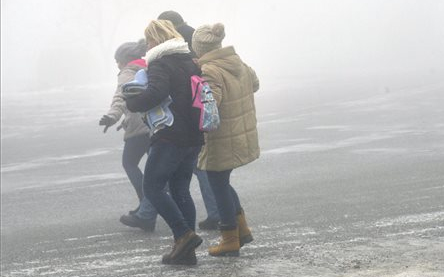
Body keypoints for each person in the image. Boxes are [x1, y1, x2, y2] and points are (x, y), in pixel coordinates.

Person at [125, 20, 203, 265]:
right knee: (180, 190)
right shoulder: (189, 61)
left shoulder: (160, 61)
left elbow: (157, 92)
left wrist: (133, 103)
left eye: (149, 40)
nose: (147, 45)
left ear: (156, 40)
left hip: (170, 134)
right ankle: (186, 252)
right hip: (193, 135)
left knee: (153, 187)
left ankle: (183, 234)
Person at [192, 23, 260, 257]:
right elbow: (255, 83)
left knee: (217, 184)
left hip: (220, 138)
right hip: (240, 132)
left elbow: (213, 104)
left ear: (198, 48)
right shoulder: (237, 62)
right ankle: (242, 230)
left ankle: (230, 238)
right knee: (222, 182)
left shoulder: (210, 69)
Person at [158, 10, 220, 230]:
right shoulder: (193, 37)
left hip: (189, 117)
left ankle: (215, 213)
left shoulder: (178, 42)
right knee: (199, 168)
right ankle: (218, 212)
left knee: (198, 169)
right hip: (197, 115)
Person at [99, 39, 158, 232]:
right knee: (156, 170)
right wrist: (125, 120)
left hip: (139, 130)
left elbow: (122, 96)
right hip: (154, 125)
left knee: (129, 163)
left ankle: (146, 204)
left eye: (118, 60)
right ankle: (147, 207)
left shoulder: (127, 72)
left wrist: (112, 116)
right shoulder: (149, 67)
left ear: (125, 59)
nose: (117, 64)